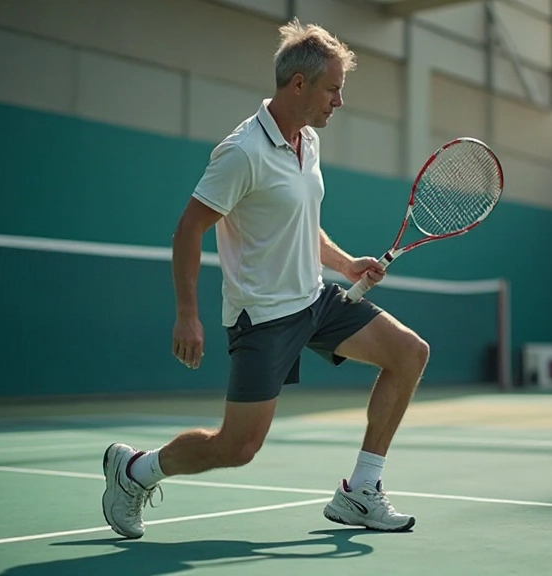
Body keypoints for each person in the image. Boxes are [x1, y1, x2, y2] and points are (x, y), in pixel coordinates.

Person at [101, 18, 430, 539]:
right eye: (333, 89)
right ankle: (134, 471)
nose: (338, 102)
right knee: (237, 448)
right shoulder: (242, 152)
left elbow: (300, 222)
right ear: (298, 85)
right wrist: (187, 313)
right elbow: (189, 227)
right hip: (265, 316)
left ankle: (360, 493)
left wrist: (344, 266)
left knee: (409, 353)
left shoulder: (307, 141)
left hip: (317, 300)